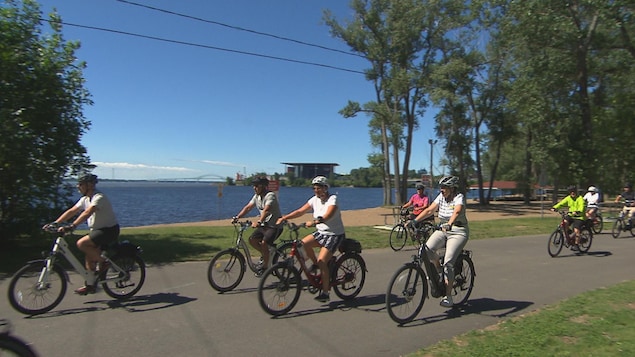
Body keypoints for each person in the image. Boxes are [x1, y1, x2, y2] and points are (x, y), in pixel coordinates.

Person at [45, 174, 120, 295]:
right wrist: (55, 223)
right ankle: (90, 285)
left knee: (82, 244)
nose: (78, 187)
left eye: (80, 184)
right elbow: (72, 211)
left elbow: (88, 212)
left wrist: (72, 226)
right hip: (97, 230)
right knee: (89, 258)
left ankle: (104, 263)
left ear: (89, 185)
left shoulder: (99, 197)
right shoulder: (85, 199)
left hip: (109, 230)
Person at [276, 176, 345, 303]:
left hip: (334, 234)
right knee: (302, 244)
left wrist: (315, 222)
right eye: (314, 188)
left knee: (322, 261)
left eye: (319, 188)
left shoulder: (332, 199)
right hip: (321, 232)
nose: (316, 190)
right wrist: (285, 217)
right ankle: (317, 265)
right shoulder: (314, 200)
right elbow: (300, 211)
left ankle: (325, 292)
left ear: (325, 188)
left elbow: (328, 215)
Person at [409, 175, 468, 308]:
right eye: (441, 187)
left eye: (445, 187)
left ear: (452, 188)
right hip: (442, 229)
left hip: (458, 230)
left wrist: (450, 223)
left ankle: (448, 296)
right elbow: (430, 210)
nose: (442, 189)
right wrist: (415, 220)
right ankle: (437, 267)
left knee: (448, 262)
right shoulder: (441, 197)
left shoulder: (459, 197)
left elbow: (457, 211)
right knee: (425, 250)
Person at [232, 176, 283, 276]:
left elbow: (266, 210)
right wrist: (237, 217)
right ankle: (266, 255)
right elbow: (247, 208)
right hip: (265, 225)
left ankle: (266, 267)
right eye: (253, 186)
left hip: (275, 226)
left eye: (256, 186)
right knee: (252, 240)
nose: (254, 188)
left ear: (263, 186)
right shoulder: (256, 197)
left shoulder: (270, 195)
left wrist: (259, 221)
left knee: (264, 243)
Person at [551, 186, 586, 250]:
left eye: (574, 192)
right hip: (571, 215)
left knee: (576, 230)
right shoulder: (568, 198)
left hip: (579, 217)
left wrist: (578, 211)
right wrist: (555, 207)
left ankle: (576, 244)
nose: (572, 193)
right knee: (564, 223)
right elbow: (561, 203)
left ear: (576, 192)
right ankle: (569, 233)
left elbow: (582, 206)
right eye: (571, 192)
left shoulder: (580, 198)